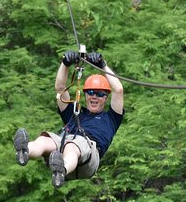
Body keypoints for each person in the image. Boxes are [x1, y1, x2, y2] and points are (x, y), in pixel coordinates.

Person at [13, 51, 124, 188]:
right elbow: (60, 89)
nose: (94, 97)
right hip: (65, 148)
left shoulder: (111, 118)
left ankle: (61, 171)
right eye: (90, 92)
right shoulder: (74, 113)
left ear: (106, 98)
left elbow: (118, 90)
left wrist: (102, 65)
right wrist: (65, 64)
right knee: (44, 140)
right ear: (85, 95)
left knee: (73, 145)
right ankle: (25, 152)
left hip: (88, 159)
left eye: (100, 94)